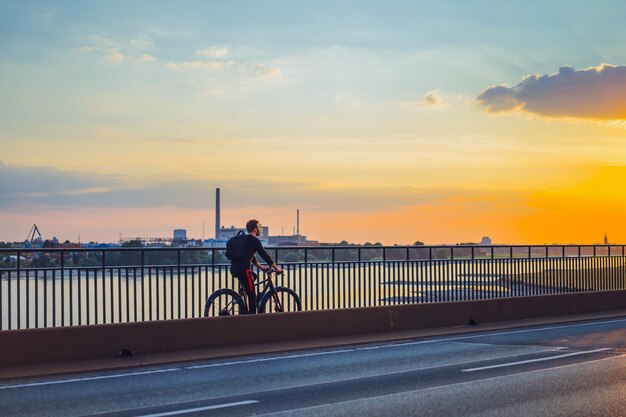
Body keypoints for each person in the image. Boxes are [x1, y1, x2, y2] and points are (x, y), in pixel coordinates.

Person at [230, 219, 283, 314]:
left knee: (254, 276)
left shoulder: (245, 240)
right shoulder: (254, 240)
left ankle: (244, 307)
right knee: (252, 296)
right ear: (255, 229)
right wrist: (276, 268)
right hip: (244, 271)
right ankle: (252, 319)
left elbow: (249, 255)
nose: (259, 230)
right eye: (258, 228)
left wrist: (259, 266)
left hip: (234, 269)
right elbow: (264, 254)